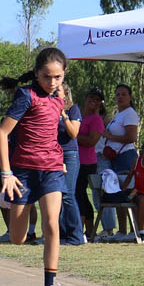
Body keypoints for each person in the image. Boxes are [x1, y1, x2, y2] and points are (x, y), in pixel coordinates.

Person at [0, 46, 78, 286]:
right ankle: (13, 201)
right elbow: (2, 134)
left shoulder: (60, 100)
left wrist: (59, 160)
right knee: (18, 238)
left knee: (52, 224)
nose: (52, 83)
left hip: (52, 170)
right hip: (23, 173)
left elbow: (59, 134)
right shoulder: (26, 95)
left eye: (57, 77)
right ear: (36, 74)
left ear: (64, 75)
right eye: (46, 77)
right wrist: (6, 174)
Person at [98, 83, 139, 238]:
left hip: (126, 158)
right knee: (119, 195)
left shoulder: (129, 113)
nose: (120, 97)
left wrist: (110, 137)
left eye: (124, 94)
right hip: (116, 159)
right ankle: (122, 231)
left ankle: (133, 230)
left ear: (130, 97)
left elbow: (131, 137)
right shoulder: (118, 115)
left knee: (128, 195)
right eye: (118, 94)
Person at [75, 88, 105, 242]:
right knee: (79, 194)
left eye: (98, 99)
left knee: (79, 193)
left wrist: (73, 135)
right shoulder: (79, 116)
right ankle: (87, 229)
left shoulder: (96, 120)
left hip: (87, 162)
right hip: (75, 161)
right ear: (86, 98)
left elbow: (92, 141)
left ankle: (84, 229)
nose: (93, 101)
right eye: (91, 97)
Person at [56, 85, 85, 246]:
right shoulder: (49, 108)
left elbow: (74, 133)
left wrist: (63, 115)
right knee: (56, 196)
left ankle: (76, 236)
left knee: (67, 194)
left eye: (57, 91)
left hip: (69, 155)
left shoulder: (73, 109)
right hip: (54, 155)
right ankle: (60, 235)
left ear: (66, 93)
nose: (54, 93)